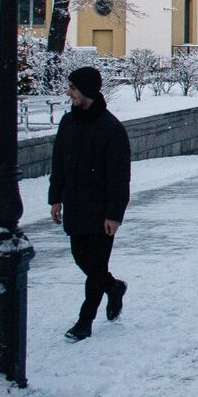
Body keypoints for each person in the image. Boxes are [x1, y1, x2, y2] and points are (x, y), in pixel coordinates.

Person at [49, 66, 131, 342]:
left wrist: (114, 214)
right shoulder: (68, 123)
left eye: (73, 88)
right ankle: (114, 287)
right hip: (74, 204)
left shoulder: (112, 129)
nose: (69, 92)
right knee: (82, 259)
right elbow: (58, 162)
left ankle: (85, 320)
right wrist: (55, 198)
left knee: (95, 265)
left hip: (101, 211)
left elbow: (119, 177)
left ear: (86, 90)